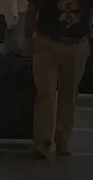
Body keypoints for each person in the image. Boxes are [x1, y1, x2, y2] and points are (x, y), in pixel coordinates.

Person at [23, 0, 92, 159]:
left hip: (76, 44)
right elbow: (33, 7)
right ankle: (43, 142)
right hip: (47, 42)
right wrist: (27, 36)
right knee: (45, 92)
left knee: (69, 93)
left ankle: (63, 139)